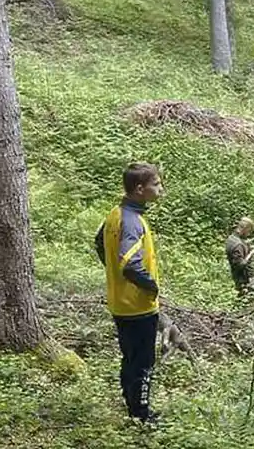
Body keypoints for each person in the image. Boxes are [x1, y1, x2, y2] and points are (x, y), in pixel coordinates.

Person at [95, 162, 164, 424]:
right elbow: (130, 264)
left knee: (130, 358)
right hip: (138, 307)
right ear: (139, 188)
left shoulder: (116, 213)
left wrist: (111, 271)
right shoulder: (133, 222)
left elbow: (99, 242)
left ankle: (131, 405)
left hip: (119, 303)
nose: (160, 189)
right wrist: (152, 287)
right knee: (144, 363)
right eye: (156, 184)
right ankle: (142, 415)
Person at [226, 217, 254, 302]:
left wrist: (246, 246)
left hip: (238, 278)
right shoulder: (238, 245)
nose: (249, 234)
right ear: (245, 228)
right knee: (252, 301)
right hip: (245, 280)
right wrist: (251, 253)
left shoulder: (231, 238)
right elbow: (240, 264)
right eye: (249, 231)